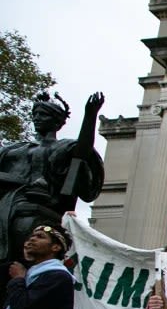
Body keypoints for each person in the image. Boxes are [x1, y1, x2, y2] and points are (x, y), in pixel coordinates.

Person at [0, 92, 104, 280]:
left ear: (58, 122)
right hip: (8, 200)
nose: (37, 119)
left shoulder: (63, 147)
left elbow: (82, 151)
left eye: (44, 115)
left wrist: (90, 116)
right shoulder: (14, 148)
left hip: (38, 206)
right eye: (36, 115)